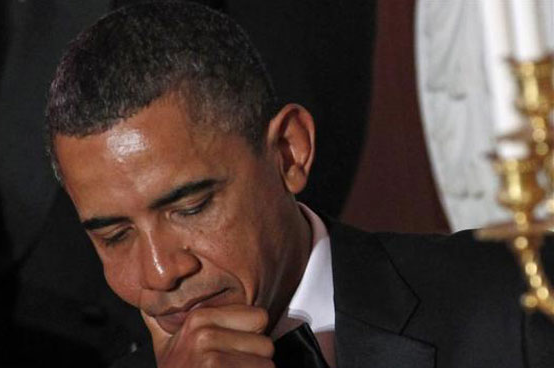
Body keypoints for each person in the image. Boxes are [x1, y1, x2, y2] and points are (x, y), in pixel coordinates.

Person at [45, 2, 554, 368]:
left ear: (289, 152)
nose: (158, 273)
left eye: (192, 207)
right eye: (114, 236)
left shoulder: (517, 300)